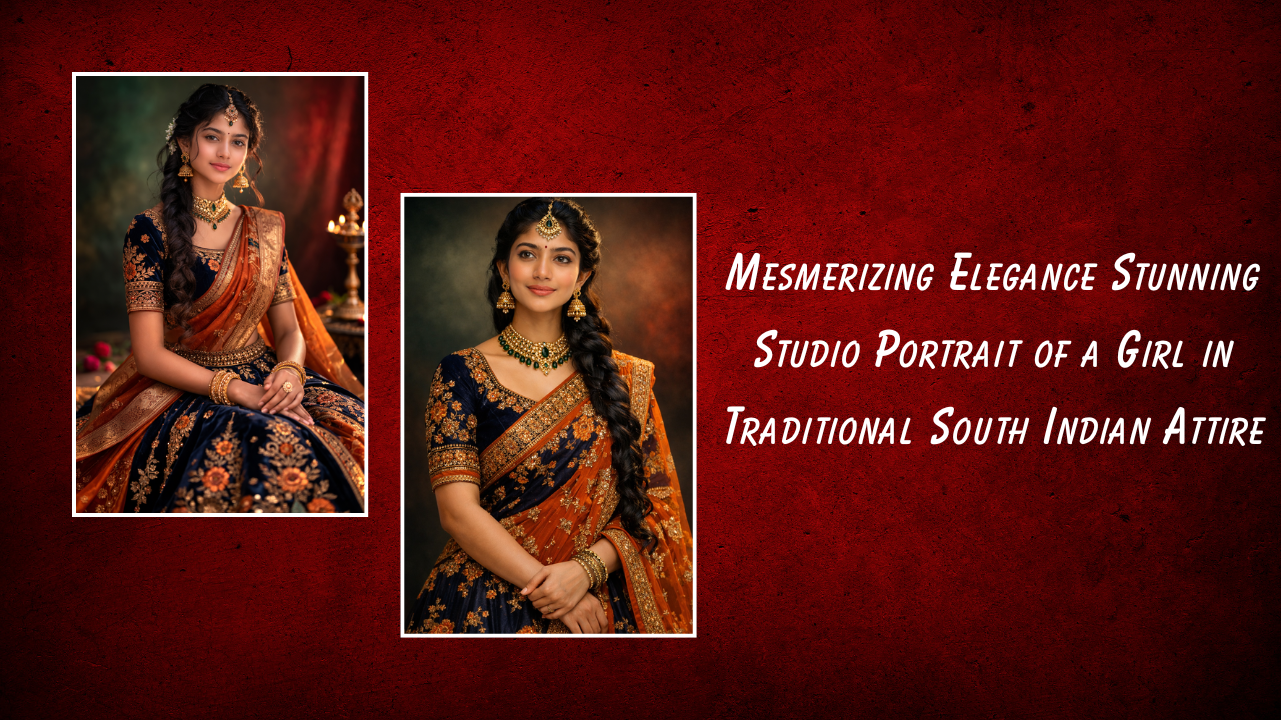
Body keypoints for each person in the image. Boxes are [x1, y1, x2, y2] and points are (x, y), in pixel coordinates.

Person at [75, 84, 366, 513]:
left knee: (359, 432)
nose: (225, 151)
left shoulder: (265, 229)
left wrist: (289, 373)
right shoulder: (148, 231)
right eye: (212, 136)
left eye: (238, 141)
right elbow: (150, 354)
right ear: (184, 142)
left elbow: (289, 329)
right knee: (270, 450)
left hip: (266, 374)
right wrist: (237, 392)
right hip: (180, 384)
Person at [406, 198, 693, 633]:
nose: (542, 271)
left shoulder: (626, 380)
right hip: (486, 600)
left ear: (582, 276)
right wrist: (551, 591)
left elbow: (657, 507)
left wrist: (584, 573)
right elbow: (457, 512)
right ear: (504, 269)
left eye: (561, 258)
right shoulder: (459, 373)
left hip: (601, 600)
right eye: (527, 255)